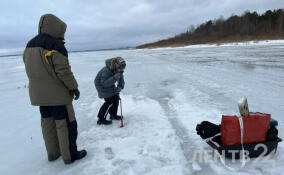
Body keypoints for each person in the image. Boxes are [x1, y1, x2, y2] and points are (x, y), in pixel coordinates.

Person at [22, 14, 87, 164]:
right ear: (57, 28)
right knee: (65, 125)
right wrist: (74, 88)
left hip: (39, 97)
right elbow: (64, 71)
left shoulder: (29, 45)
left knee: (48, 125)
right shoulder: (56, 46)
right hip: (58, 97)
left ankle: (53, 154)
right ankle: (69, 155)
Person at [94, 57, 126, 125]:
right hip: (101, 85)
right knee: (109, 101)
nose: (122, 69)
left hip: (110, 83)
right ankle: (101, 119)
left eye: (124, 67)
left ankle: (113, 115)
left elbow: (121, 80)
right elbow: (104, 83)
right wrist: (114, 78)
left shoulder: (119, 69)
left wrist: (120, 86)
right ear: (116, 65)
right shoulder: (107, 70)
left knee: (116, 98)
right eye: (121, 67)